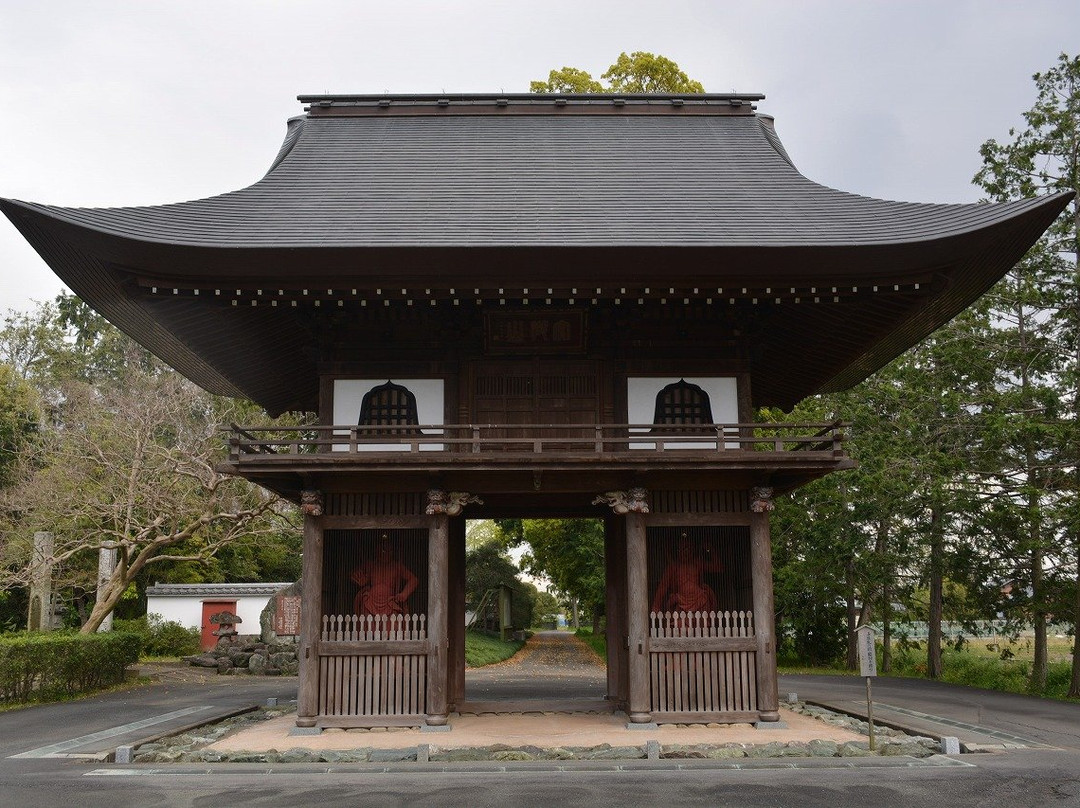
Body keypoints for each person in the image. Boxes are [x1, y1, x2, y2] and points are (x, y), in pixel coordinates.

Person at [651, 533, 722, 614]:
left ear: (692, 549)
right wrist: (655, 607)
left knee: (703, 620)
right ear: (677, 551)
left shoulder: (697, 563)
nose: (684, 552)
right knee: (679, 620)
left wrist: (711, 550)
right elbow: (663, 587)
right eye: (681, 549)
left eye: (687, 549)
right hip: (681, 601)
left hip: (700, 599)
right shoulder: (673, 567)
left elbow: (718, 567)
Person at [351, 534, 419, 616]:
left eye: (389, 550)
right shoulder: (370, 565)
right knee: (367, 621)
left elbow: (414, 579)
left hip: (389, 602)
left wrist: (404, 594)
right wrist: (360, 580)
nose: (386, 553)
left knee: (393, 622)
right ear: (376, 550)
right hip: (370, 601)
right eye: (383, 550)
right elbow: (354, 575)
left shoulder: (397, 566)